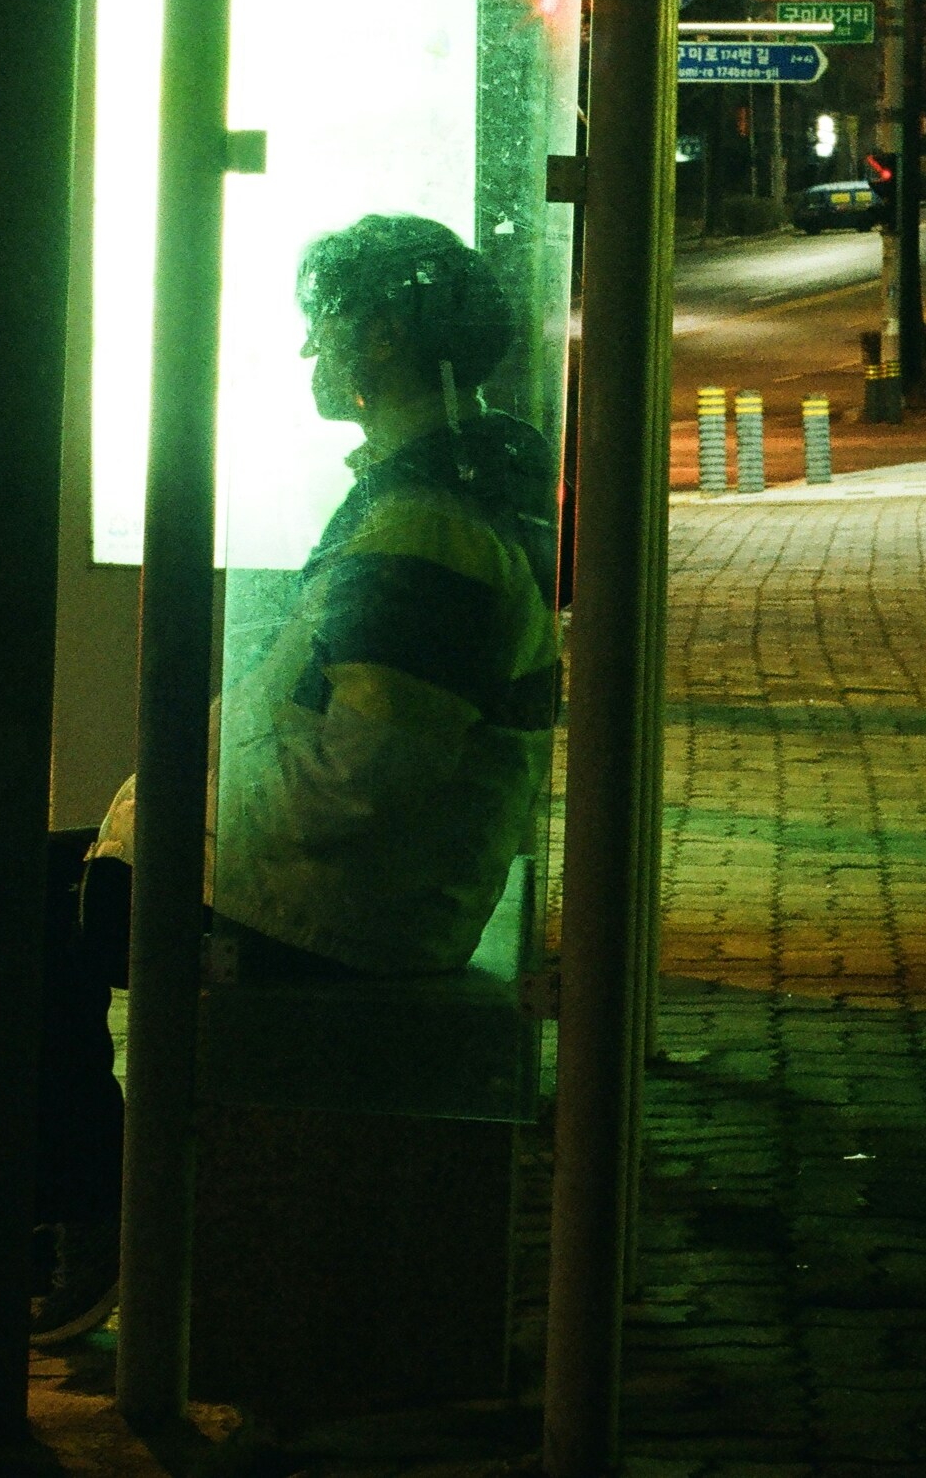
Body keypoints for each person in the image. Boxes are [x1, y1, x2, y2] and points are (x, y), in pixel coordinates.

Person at [30, 212, 560, 1343]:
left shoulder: (421, 529)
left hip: (343, 909)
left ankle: (99, 1216)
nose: (310, 354)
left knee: (12, 925)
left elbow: (359, 781)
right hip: (373, 886)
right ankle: (97, 1208)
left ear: (377, 338)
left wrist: (167, 814)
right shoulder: (442, 494)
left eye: (320, 329)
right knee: (42, 880)